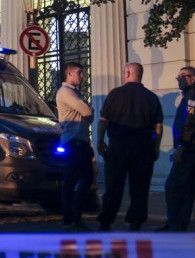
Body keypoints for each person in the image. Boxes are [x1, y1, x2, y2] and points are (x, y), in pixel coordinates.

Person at [96, 62, 163, 231]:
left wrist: (100, 141)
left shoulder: (115, 95)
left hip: (118, 145)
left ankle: (106, 219)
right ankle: (136, 221)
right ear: (140, 74)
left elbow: (103, 121)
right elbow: (159, 127)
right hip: (143, 146)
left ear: (127, 73)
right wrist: (156, 147)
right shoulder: (151, 97)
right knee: (140, 187)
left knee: (113, 185)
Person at [162, 66, 195, 231]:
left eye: (182, 76)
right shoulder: (190, 96)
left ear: (192, 78)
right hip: (192, 148)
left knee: (172, 186)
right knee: (185, 188)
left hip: (191, 149)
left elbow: (189, 124)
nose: (178, 79)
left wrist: (182, 148)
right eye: (178, 76)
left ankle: (175, 223)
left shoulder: (193, 97)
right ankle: (178, 223)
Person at [55, 62, 95, 231]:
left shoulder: (73, 93)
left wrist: (88, 113)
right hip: (74, 143)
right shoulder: (66, 92)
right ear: (69, 73)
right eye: (79, 72)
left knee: (82, 180)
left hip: (80, 143)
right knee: (73, 182)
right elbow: (87, 112)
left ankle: (73, 218)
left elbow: (89, 116)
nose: (82, 76)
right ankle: (70, 218)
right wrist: (87, 112)